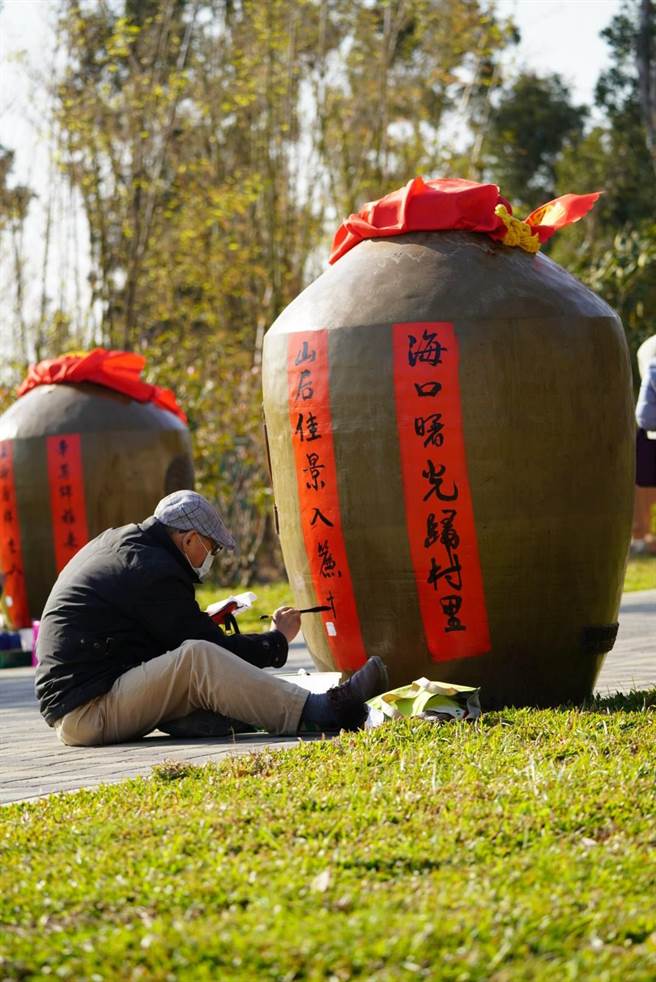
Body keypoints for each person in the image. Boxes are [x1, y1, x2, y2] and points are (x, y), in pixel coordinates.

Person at [35, 490, 388, 746]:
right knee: (197, 659)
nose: (213, 555)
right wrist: (276, 641)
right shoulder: (152, 570)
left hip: (87, 700)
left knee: (195, 660)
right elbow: (207, 649)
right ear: (189, 539)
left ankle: (202, 720)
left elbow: (161, 632)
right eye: (213, 547)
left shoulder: (129, 548)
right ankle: (321, 709)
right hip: (86, 712)